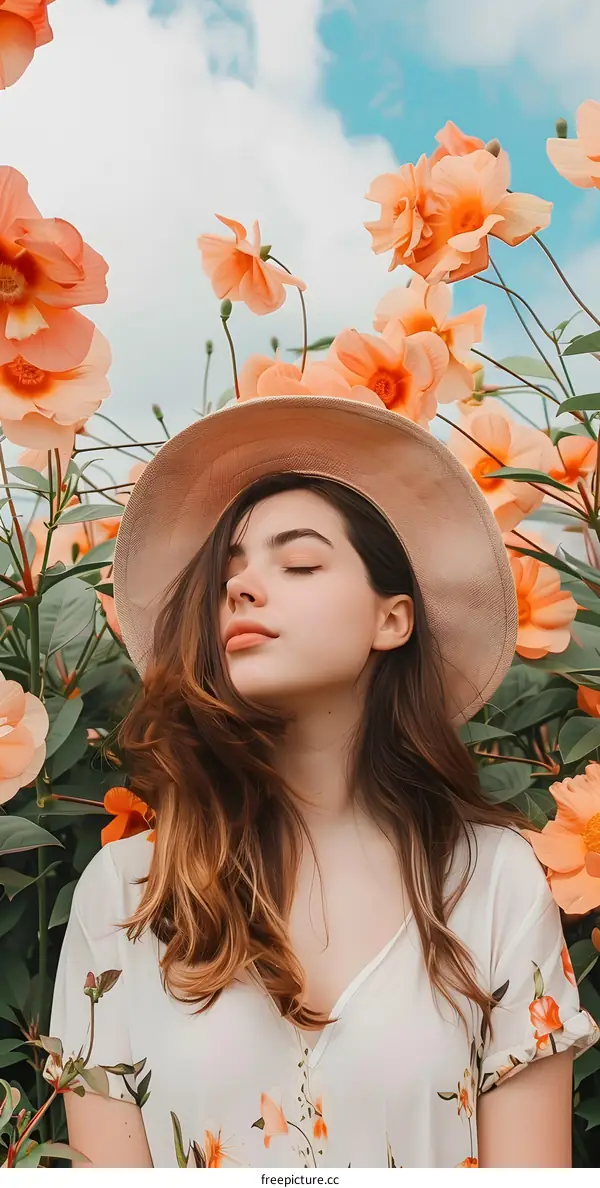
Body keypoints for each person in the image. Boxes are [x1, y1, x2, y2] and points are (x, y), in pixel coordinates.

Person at [47, 394, 599, 1169]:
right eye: (227, 573)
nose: (241, 587)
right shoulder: (129, 894)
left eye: (299, 563)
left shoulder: (493, 882)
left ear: (392, 619)